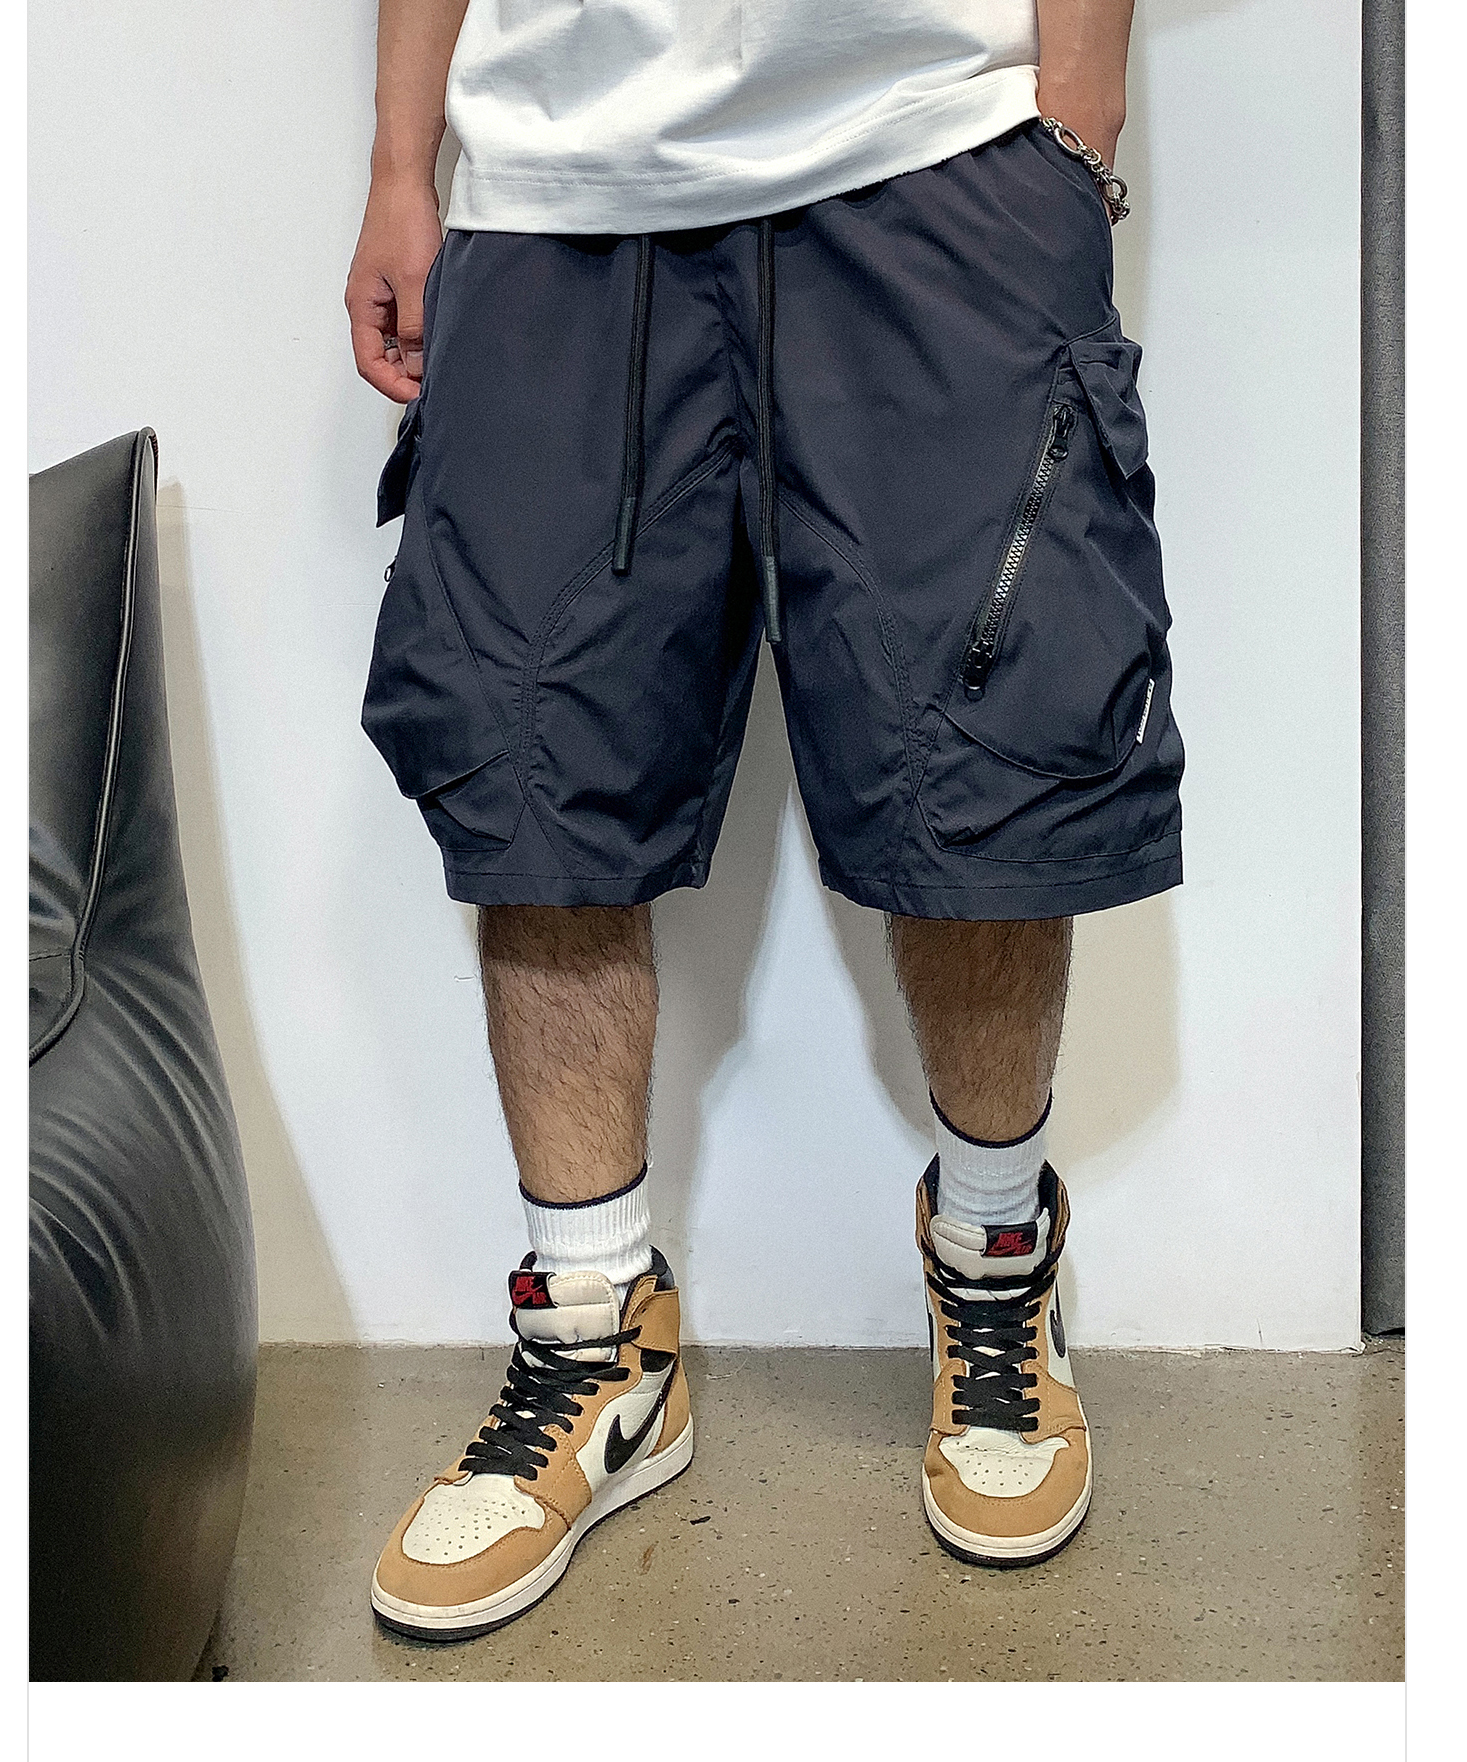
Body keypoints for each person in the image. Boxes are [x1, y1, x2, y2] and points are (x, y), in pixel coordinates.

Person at [347, 0, 1181, 1640]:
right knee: (535, 754)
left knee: (984, 752)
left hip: (931, 135)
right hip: (560, 172)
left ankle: (996, 1260)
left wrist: (1076, 113)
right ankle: (595, 1336)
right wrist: (399, 158)